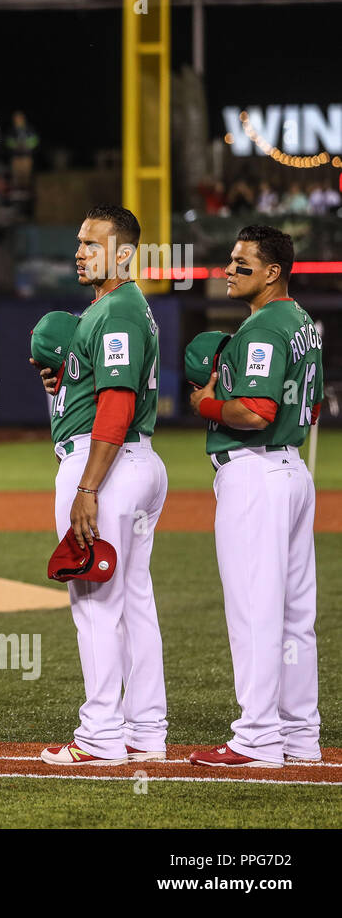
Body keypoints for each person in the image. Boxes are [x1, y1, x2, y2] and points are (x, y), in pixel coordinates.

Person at [29, 205, 168, 767]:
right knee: (133, 602)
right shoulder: (115, 309)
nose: (81, 251)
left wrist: (88, 489)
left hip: (104, 464)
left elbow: (117, 402)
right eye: (80, 242)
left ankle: (100, 736)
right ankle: (145, 731)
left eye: (93, 243)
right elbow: (102, 387)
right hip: (133, 462)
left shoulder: (117, 310)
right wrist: (65, 379)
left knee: (94, 603)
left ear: (125, 253)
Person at [187, 225, 321, 769]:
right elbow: (308, 410)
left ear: (273, 273)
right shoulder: (305, 324)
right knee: (294, 615)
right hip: (292, 471)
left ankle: (257, 736)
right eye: (230, 259)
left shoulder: (264, 328)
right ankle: (300, 735)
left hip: (257, 473)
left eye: (243, 263)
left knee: (254, 613)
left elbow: (255, 412)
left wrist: (205, 405)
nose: (229, 269)